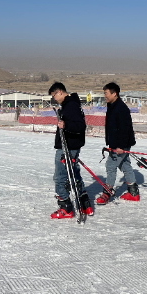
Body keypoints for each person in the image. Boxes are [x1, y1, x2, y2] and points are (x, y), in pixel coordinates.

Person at [49, 82, 91, 219]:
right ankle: (84, 202)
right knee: (74, 174)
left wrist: (65, 125)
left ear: (60, 92)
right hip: (70, 145)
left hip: (67, 147)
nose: (54, 98)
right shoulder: (70, 104)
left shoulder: (71, 105)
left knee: (60, 177)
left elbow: (80, 126)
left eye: (54, 95)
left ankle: (65, 207)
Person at [98, 82, 139, 204]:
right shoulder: (112, 106)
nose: (104, 96)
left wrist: (121, 146)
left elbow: (125, 129)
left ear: (114, 93)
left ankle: (107, 192)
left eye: (106, 93)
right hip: (117, 144)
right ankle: (133, 193)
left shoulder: (121, 108)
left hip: (121, 145)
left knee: (110, 166)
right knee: (125, 165)